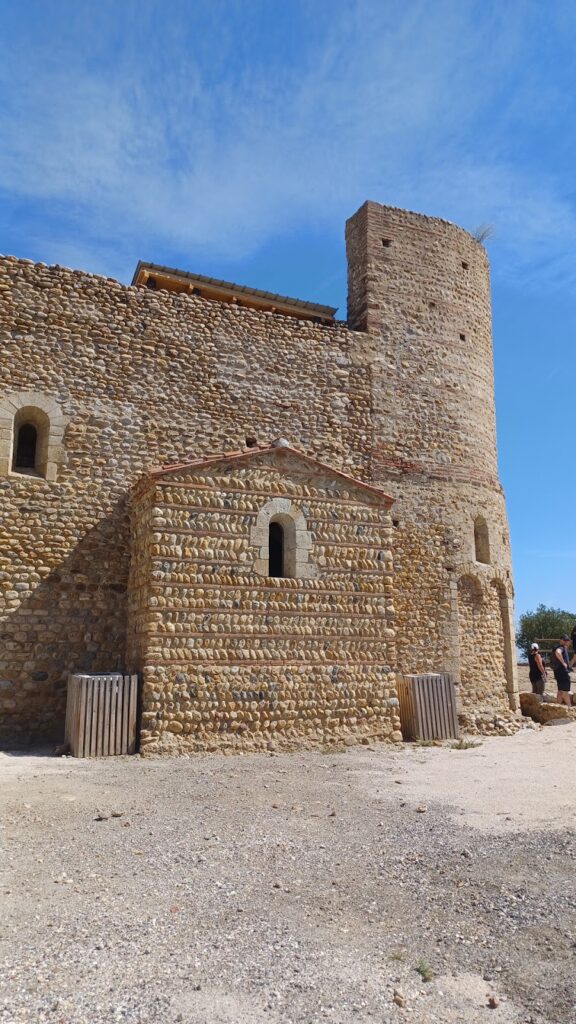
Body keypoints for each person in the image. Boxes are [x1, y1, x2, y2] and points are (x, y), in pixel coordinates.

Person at [552, 635, 572, 707]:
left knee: (560, 690)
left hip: (557, 671)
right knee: (565, 691)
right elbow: (558, 652)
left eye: (567, 640)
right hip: (563, 671)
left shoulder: (556, 647)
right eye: (564, 640)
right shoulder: (561, 647)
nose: (566, 642)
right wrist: (563, 663)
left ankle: (558, 706)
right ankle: (569, 707)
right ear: (561, 640)